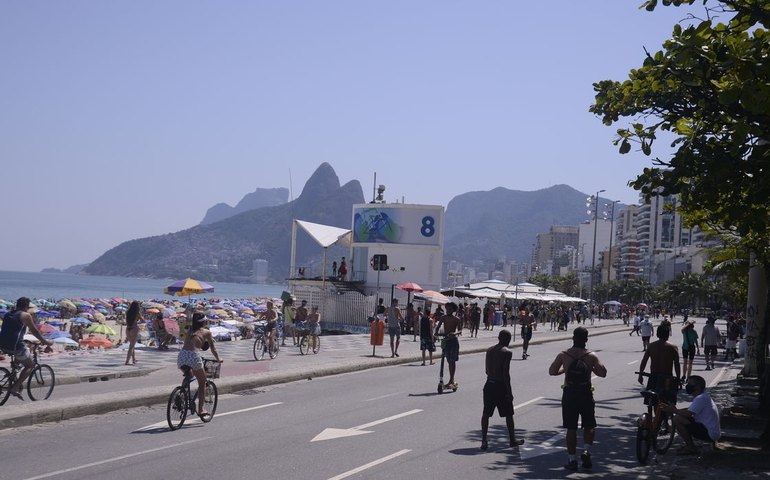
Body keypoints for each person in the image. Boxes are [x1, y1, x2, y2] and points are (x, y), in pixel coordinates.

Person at [548, 327, 607, 471]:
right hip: (585, 393)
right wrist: (591, 367)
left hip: (569, 394)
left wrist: (565, 370)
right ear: (586, 340)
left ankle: (572, 460)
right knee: (589, 425)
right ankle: (586, 451)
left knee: (571, 428)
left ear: (573, 338)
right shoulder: (591, 355)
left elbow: (552, 371)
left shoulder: (564, 354)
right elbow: (603, 373)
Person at [0, 297, 53, 400]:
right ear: (26, 306)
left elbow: (12, 330)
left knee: (19, 358)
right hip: (15, 346)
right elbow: (35, 331)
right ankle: (15, 387)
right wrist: (45, 342)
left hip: (3, 344)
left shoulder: (7, 314)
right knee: (30, 365)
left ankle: (13, 376)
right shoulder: (25, 315)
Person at [481, 329, 526, 451]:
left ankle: (484, 440)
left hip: (489, 384)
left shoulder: (489, 350)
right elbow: (505, 373)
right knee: (509, 414)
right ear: (508, 340)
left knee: (486, 413)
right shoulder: (507, 352)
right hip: (500, 385)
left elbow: (487, 370)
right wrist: (509, 392)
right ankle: (512, 440)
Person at [660, 375, 721, 454]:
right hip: (711, 432)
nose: (688, 386)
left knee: (677, 419)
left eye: (690, 384)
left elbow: (688, 414)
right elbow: (689, 410)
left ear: (697, 387)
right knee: (679, 416)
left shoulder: (701, 398)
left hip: (709, 434)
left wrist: (673, 410)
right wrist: (674, 410)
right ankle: (690, 446)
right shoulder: (703, 397)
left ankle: (691, 447)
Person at [177, 312, 221, 416]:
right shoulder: (207, 332)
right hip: (193, 356)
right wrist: (219, 359)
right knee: (203, 382)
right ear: (204, 322)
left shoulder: (189, 330)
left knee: (189, 375)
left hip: (181, 356)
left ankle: (181, 395)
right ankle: (201, 409)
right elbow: (213, 349)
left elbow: (195, 341)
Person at [638, 325, 682, 407]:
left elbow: (644, 361)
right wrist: (678, 379)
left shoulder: (651, 346)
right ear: (667, 334)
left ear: (658, 334)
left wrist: (641, 375)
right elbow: (676, 364)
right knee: (669, 402)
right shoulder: (673, 347)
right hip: (667, 377)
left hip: (654, 377)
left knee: (652, 401)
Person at [434, 302, 463, 389]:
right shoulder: (443, 317)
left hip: (453, 341)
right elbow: (438, 326)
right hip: (446, 341)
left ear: (453, 310)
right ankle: (449, 380)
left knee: (452, 361)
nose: (448, 310)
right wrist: (436, 333)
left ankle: (451, 380)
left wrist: (454, 333)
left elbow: (460, 331)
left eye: (450, 309)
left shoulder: (456, 319)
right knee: (447, 360)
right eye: (447, 309)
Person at [124, 300, 142, 365]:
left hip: (128, 328)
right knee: (131, 346)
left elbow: (126, 320)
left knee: (132, 345)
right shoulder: (137, 313)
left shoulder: (128, 312)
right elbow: (142, 320)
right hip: (134, 328)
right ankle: (127, 361)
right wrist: (138, 321)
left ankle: (134, 359)